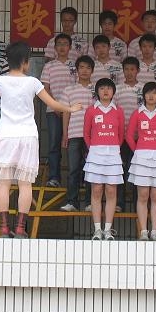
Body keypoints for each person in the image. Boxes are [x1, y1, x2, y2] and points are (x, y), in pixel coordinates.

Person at [0, 42, 83, 238]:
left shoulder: (0, 80)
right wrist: (70, 109)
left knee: (3, 183)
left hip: (5, 135)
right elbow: (52, 103)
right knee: (25, 183)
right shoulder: (32, 82)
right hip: (27, 135)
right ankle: (20, 229)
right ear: (25, 62)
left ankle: (4, 228)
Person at [126, 82, 156, 241]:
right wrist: (138, 150)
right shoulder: (137, 113)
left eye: (154, 93)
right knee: (143, 195)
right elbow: (129, 136)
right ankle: (144, 231)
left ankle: (154, 231)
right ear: (143, 95)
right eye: (148, 93)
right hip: (141, 158)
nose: (151, 96)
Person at [83, 78, 125, 241]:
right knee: (96, 190)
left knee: (111, 190)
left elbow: (121, 135)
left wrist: (112, 147)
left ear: (113, 91)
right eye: (102, 88)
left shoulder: (118, 111)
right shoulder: (91, 110)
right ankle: (97, 230)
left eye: (108, 88)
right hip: (95, 154)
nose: (105, 91)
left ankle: (108, 230)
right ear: (97, 92)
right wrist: (94, 148)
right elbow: (86, 134)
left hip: (113, 154)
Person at [39, 33, 76, 188]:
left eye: (65, 44)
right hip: (52, 110)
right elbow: (45, 88)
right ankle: (54, 177)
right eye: (59, 44)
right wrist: (55, 105)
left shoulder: (75, 65)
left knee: (75, 144)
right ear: (54, 48)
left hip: (73, 111)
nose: (62, 47)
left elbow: (78, 87)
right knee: (54, 144)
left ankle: (77, 180)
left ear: (70, 47)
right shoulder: (49, 66)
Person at [60, 56, 96, 213]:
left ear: (92, 70)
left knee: (91, 169)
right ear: (76, 70)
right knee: (73, 169)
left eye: (88, 67)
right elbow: (66, 113)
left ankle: (90, 202)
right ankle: (72, 202)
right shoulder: (69, 90)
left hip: (94, 137)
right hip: (74, 133)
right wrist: (65, 134)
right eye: (81, 67)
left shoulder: (98, 89)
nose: (84, 70)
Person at [114, 57, 143, 210]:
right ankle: (119, 203)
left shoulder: (144, 89)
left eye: (132, 69)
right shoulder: (116, 89)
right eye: (126, 69)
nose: (129, 72)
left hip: (139, 137)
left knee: (138, 170)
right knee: (120, 169)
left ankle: (139, 204)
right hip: (120, 137)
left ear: (138, 71)